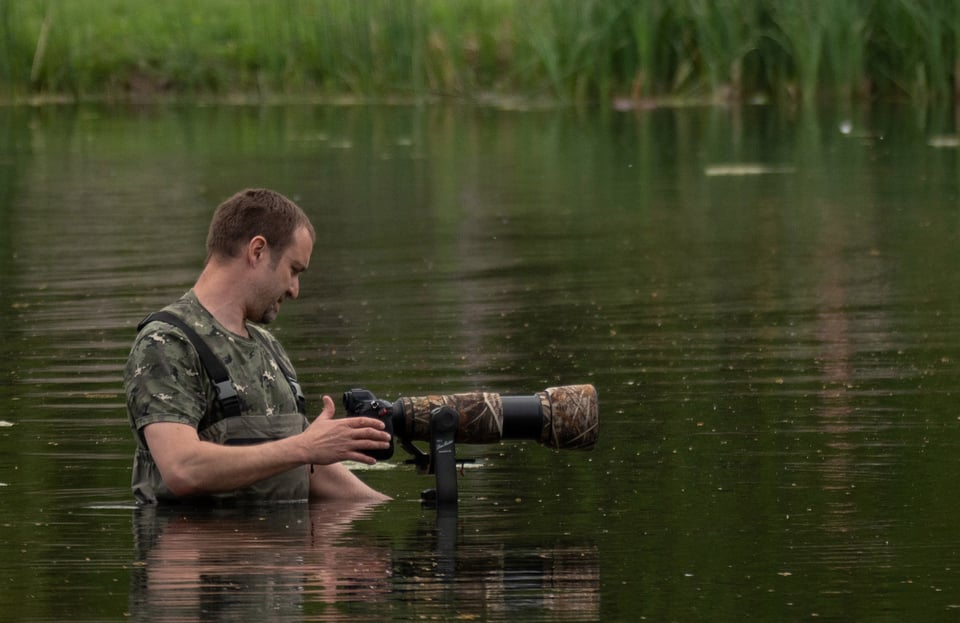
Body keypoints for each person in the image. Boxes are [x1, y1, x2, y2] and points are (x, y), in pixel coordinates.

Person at [124, 188, 392, 505]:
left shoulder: (268, 347)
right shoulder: (167, 341)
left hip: (287, 551)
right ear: (258, 251)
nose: (295, 290)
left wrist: (386, 518)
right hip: (199, 550)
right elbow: (182, 468)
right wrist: (304, 447)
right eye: (293, 270)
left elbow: (309, 467)